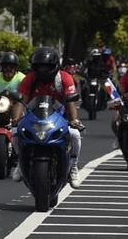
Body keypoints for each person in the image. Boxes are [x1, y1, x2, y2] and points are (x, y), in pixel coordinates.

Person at [13, 47, 84, 188]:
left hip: (60, 117)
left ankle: (73, 166)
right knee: (15, 132)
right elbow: (21, 100)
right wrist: (16, 119)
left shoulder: (64, 78)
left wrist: (73, 120)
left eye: (46, 67)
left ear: (55, 66)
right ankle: (20, 162)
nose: (43, 70)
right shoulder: (30, 79)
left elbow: (70, 101)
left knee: (75, 135)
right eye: (40, 67)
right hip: (34, 117)